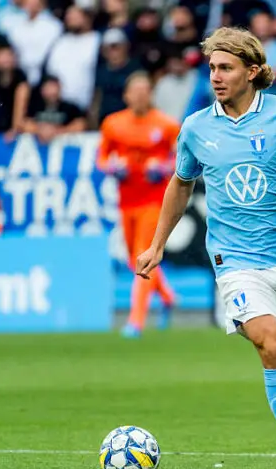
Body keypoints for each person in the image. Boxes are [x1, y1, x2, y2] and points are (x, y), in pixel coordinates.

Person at [135, 27, 276, 469]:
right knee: (271, 343)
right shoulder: (196, 128)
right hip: (235, 261)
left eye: (225, 67)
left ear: (252, 72)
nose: (215, 76)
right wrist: (156, 244)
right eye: (211, 67)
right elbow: (180, 183)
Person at [97, 71, 177, 338]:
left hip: (155, 201)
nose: (141, 96)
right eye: (136, 91)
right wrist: (113, 168)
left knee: (144, 254)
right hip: (126, 201)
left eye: (146, 91)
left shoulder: (166, 125)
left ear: (151, 95)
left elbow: (182, 159)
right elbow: (102, 158)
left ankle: (136, 321)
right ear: (127, 95)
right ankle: (167, 297)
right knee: (136, 260)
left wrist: (165, 168)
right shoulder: (113, 124)